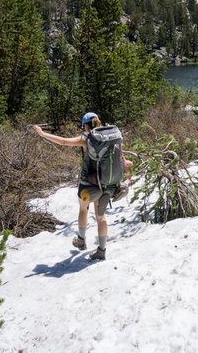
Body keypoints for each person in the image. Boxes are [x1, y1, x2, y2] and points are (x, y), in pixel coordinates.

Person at [32, 112, 129, 261]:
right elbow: (119, 159)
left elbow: (64, 142)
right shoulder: (110, 136)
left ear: (85, 124)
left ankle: (81, 240)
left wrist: (42, 133)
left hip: (89, 184)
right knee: (101, 217)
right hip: (108, 184)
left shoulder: (87, 138)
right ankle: (101, 250)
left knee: (83, 209)